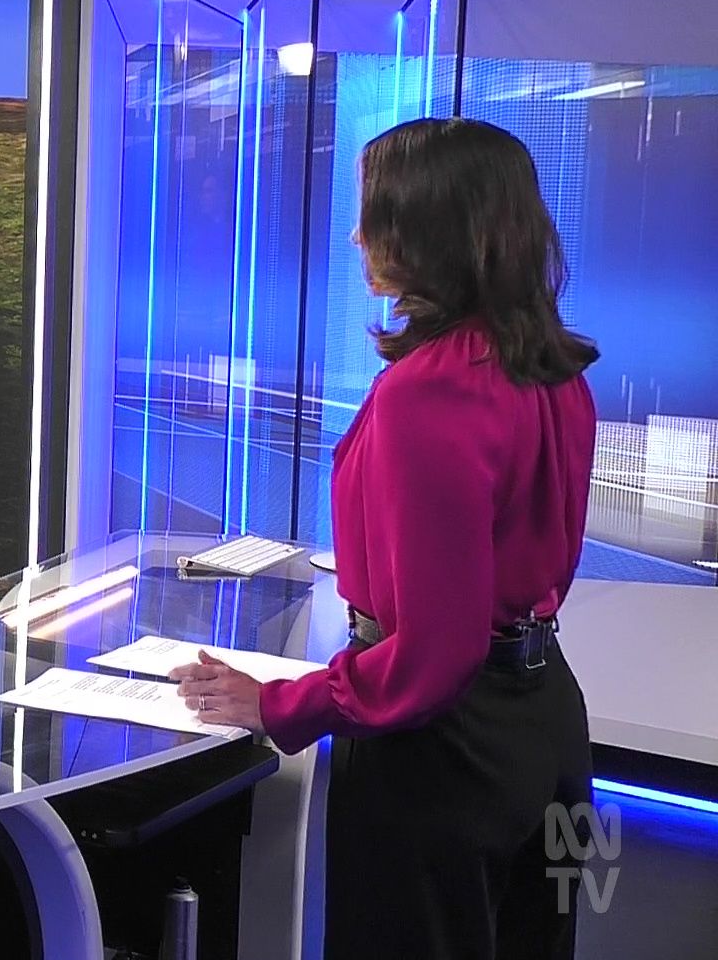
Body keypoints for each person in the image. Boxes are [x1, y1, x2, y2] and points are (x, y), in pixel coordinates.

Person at [170, 118, 599, 959]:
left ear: (431, 230)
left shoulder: (430, 391)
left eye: (376, 214)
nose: (357, 236)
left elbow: (436, 654)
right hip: (547, 729)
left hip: (447, 757)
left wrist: (279, 705)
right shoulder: (553, 368)